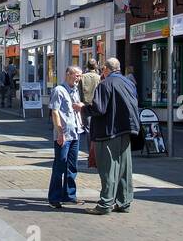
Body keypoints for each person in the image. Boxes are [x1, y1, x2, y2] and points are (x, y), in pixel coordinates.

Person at [88, 57, 141, 215]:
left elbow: (99, 109)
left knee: (108, 170)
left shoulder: (105, 84)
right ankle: (124, 202)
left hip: (108, 132)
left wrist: (82, 108)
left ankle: (105, 204)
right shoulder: (128, 82)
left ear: (105, 69)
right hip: (126, 131)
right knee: (124, 169)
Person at [48, 65, 84, 208]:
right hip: (64, 135)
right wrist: (60, 132)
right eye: (76, 75)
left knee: (72, 166)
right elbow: (55, 112)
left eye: (80, 76)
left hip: (75, 132)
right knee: (60, 165)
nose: (78, 78)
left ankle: (69, 195)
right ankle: (54, 198)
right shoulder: (59, 90)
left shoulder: (75, 91)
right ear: (68, 74)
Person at [78, 60, 101, 155]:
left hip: (86, 105)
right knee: (97, 128)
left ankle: (90, 152)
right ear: (96, 66)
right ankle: (97, 151)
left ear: (87, 66)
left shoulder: (82, 77)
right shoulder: (99, 77)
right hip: (97, 105)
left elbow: (78, 92)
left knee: (88, 129)